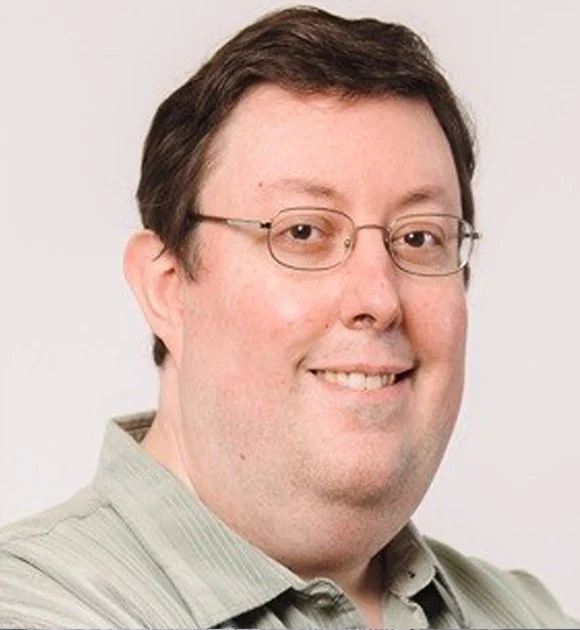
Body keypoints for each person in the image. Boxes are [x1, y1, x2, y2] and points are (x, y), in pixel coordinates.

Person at [0, 6, 576, 629]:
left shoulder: (529, 613)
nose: (378, 298)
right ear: (168, 288)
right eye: (302, 232)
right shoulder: (31, 607)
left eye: (418, 238)